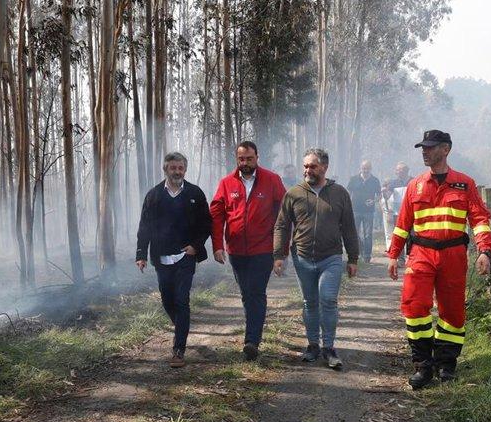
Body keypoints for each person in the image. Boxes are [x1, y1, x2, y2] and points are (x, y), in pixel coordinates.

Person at [387, 130, 491, 389]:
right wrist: (393, 255)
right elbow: (403, 224)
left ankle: (446, 365)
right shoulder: (415, 185)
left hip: (453, 255)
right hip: (421, 254)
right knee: (414, 307)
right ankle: (423, 366)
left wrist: (484, 250)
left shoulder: (465, 183)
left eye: (430, 147)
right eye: (422, 147)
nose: (424, 151)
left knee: (452, 311)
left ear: (445, 149)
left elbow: (479, 219)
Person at [273, 148, 360, 369]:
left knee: (328, 299)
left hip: (330, 257)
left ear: (324, 167)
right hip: (302, 257)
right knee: (310, 302)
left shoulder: (339, 193)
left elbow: (349, 227)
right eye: (305, 166)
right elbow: (282, 226)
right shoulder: (294, 193)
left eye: (312, 166)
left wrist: (353, 258)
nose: (307, 170)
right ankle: (312, 345)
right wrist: (279, 255)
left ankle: (329, 347)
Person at [210, 141, 286, 360]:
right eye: (241, 159)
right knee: (246, 294)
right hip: (235, 251)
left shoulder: (272, 180)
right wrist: (217, 246)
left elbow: (284, 216)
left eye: (249, 158)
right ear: (237, 159)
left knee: (256, 292)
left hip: (263, 249)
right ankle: (252, 333)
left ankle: (252, 340)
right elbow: (217, 215)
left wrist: (280, 250)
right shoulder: (226, 183)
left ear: (257, 157)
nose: (245, 163)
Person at [136, 152, 212, 368]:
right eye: (173, 168)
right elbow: (144, 227)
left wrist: (195, 246)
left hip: (185, 257)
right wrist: (141, 254)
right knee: (167, 301)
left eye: (181, 168)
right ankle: (181, 326)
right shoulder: (153, 196)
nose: (177, 172)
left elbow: (206, 224)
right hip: (161, 258)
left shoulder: (195, 194)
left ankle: (178, 350)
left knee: (181, 300)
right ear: (166, 169)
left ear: (185, 170)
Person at [346, 160, 381, 263]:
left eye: (367, 168)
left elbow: (379, 195)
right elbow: (348, 192)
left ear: (370, 169)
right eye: (363, 168)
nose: (365, 170)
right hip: (355, 210)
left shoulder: (375, 180)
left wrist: (373, 201)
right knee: (355, 233)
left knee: (368, 234)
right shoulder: (354, 179)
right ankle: (358, 252)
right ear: (360, 168)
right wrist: (348, 204)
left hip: (368, 212)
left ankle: (367, 256)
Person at [382, 162, 413, 265]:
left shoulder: (413, 181)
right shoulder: (393, 183)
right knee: (399, 236)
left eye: (401, 170)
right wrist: (384, 192)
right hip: (398, 213)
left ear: (406, 170)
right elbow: (387, 196)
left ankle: (410, 257)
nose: (399, 172)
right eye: (397, 170)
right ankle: (400, 259)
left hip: (411, 213)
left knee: (411, 235)